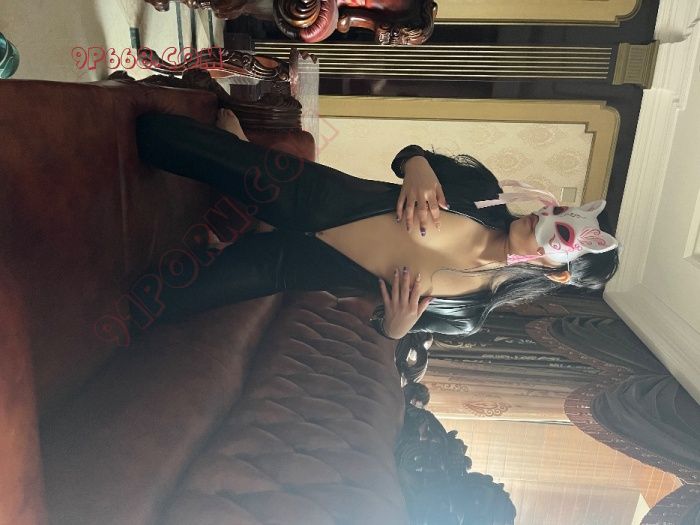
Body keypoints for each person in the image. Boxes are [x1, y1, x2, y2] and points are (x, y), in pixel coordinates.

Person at [133, 109, 619, 340]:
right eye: (558, 208)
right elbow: (406, 156)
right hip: (306, 194)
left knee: (152, 307)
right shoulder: (480, 191)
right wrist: (417, 165)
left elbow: (371, 324)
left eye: (561, 232)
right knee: (156, 135)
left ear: (558, 271)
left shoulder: (464, 314)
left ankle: (244, 218)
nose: (544, 215)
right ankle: (241, 170)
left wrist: (395, 328)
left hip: (285, 266)